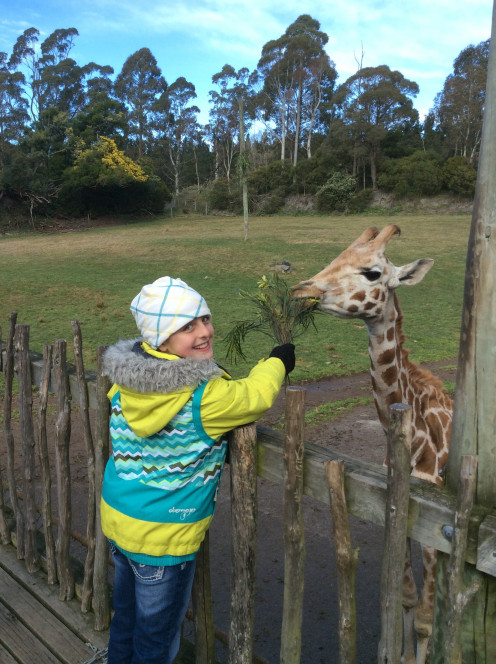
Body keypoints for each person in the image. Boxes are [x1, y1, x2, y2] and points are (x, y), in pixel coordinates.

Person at [101, 276, 295, 664]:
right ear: (160, 341)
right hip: (164, 539)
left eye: (204, 319)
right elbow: (253, 396)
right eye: (187, 327)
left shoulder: (127, 382)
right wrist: (277, 362)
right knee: (156, 641)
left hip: (121, 522)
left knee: (125, 622)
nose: (204, 331)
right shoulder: (203, 397)